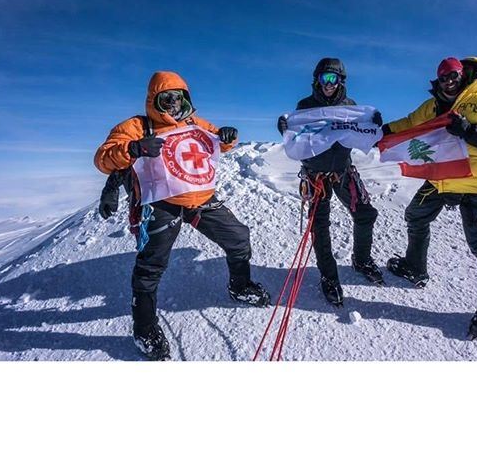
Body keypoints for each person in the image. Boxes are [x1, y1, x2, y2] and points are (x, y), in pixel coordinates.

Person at [95, 71, 270, 360]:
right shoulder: (137, 126)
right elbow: (104, 157)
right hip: (160, 202)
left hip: (198, 197)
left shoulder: (193, 123)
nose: (174, 104)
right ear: (155, 100)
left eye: (179, 97)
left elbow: (218, 141)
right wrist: (134, 148)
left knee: (238, 237)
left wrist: (228, 136)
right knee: (151, 265)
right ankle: (144, 328)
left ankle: (240, 285)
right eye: (167, 98)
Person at [381, 57, 477, 339]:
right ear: (438, 79)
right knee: (415, 214)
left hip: (476, 181)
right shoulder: (433, 105)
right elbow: (410, 123)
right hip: (441, 177)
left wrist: (468, 131)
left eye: (454, 75)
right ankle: (415, 267)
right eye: (444, 77)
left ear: (463, 74)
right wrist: (383, 131)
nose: (449, 81)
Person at [277, 58, 382, 307]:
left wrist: (373, 123)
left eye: (333, 78)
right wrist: (284, 127)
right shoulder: (305, 106)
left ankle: (361, 259)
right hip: (315, 175)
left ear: (341, 81)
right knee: (319, 226)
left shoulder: (351, 107)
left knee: (366, 214)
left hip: (343, 171)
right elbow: (299, 135)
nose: (328, 84)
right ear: (317, 80)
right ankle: (329, 276)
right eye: (324, 78)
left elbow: (361, 133)